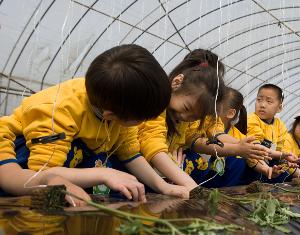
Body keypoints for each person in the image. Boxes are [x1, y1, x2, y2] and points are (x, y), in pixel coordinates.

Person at [0, 44, 188, 200]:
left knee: (115, 169)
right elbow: (42, 174)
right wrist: (104, 174)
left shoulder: (115, 104)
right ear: (109, 115)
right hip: (17, 149)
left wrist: (163, 186)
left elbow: (129, 153)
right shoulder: (59, 110)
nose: (145, 123)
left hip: (52, 167)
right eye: (142, 119)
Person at [138, 50, 268, 188]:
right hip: (145, 164)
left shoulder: (189, 117)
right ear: (179, 81)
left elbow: (200, 139)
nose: (186, 117)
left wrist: (240, 149)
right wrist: (187, 184)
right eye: (187, 108)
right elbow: (151, 145)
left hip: (165, 164)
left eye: (195, 116)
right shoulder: (157, 106)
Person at [246, 84, 297, 180]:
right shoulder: (251, 119)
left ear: (279, 108)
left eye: (269, 101)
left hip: (267, 164)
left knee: (282, 173)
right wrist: (282, 155)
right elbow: (255, 148)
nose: (262, 105)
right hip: (251, 165)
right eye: (259, 100)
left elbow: (280, 150)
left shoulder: (280, 125)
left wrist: (285, 160)